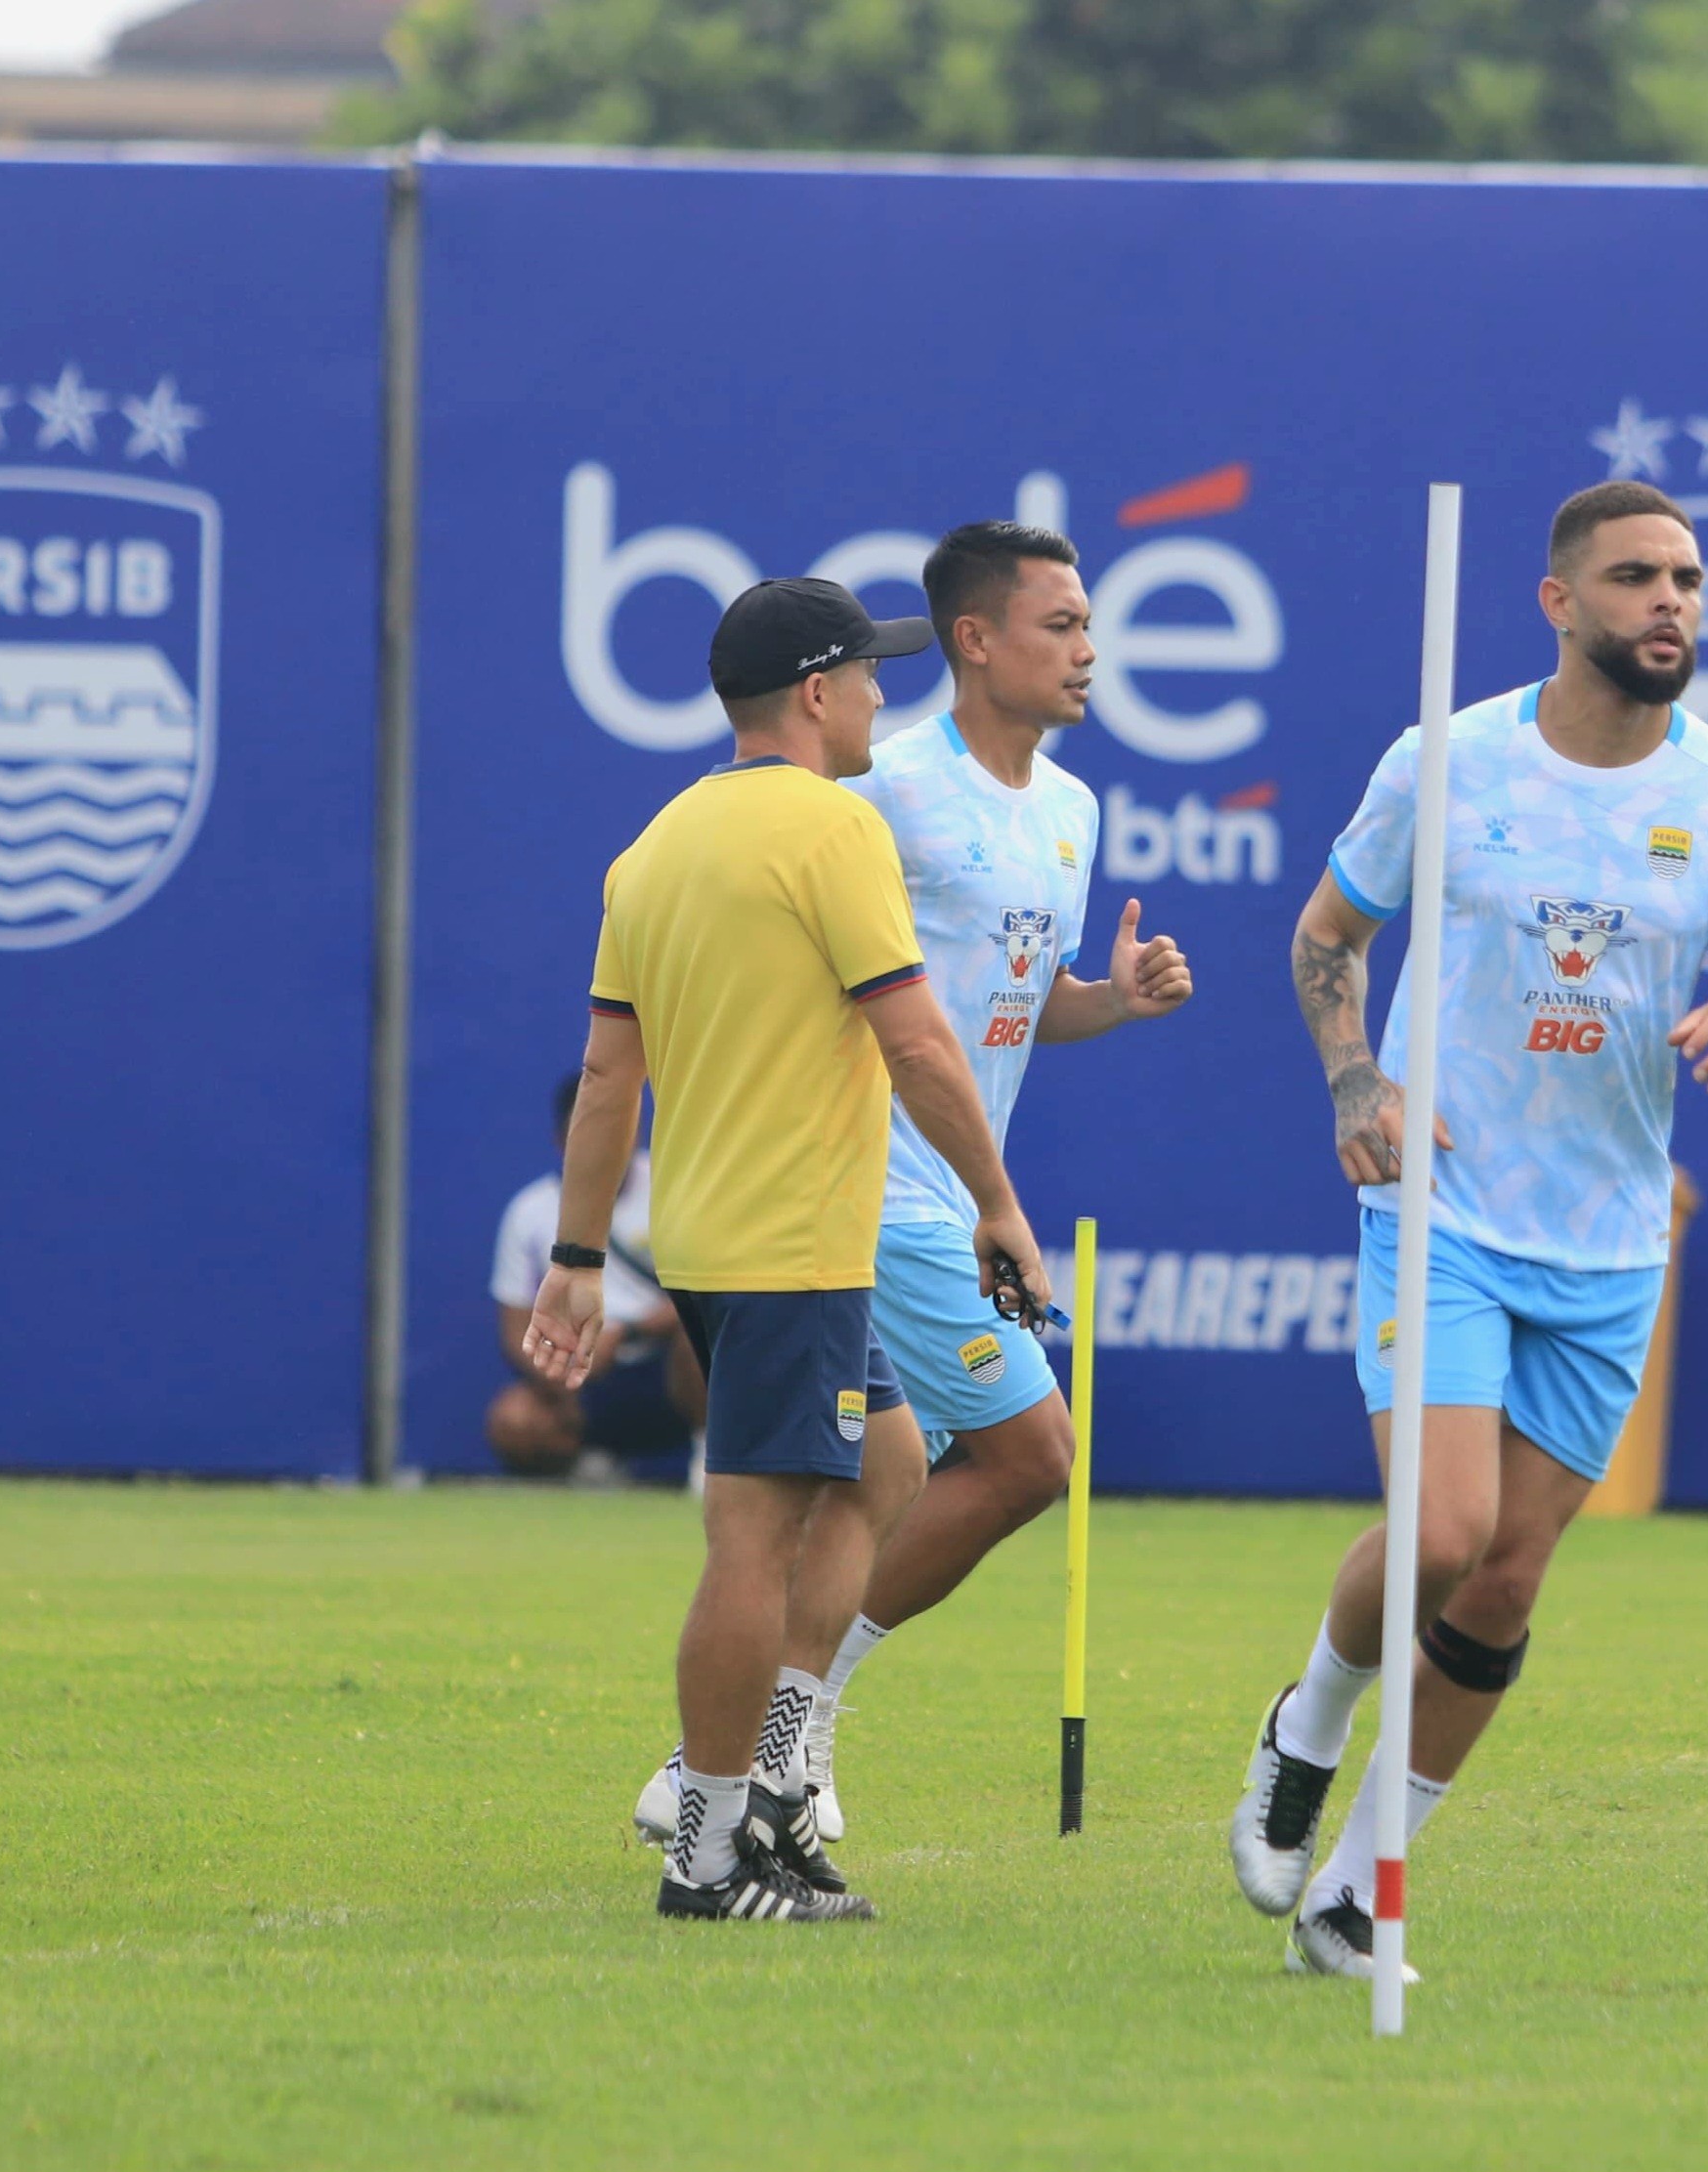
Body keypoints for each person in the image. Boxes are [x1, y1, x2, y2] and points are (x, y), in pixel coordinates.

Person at [1225, 479, 1708, 1979]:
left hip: (1613, 1242)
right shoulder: (1447, 759)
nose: (1670, 601)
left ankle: (1359, 1895)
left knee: (1507, 1574)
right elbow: (1324, 935)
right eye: (1635, 577)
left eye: (1687, 576)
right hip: (1447, 1199)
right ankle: (1308, 1716)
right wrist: (1355, 1075)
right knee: (1441, 1531)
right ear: (1561, 603)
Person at [630, 521, 1192, 1850]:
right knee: (1029, 1452)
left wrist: (1108, 1001)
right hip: (869, 1178)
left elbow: (1009, 1002)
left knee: (880, 1474)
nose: (1089, 650)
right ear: (974, 640)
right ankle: (789, 1730)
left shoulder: (1072, 808)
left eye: (1091, 623)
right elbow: (863, 989)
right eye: (1059, 624)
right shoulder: (876, 788)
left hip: (952, 1183)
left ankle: (724, 1767)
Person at [526, 575, 1048, 1924]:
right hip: (793, 1244)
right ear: (816, 693)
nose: (885, 692)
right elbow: (919, 1039)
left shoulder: (654, 845)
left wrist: (581, 1251)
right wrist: (998, 1202)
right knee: (753, 1539)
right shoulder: (832, 829)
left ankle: (773, 1771)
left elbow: (604, 1074)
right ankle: (706, 1850)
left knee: (889, 1461)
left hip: (703, 1235)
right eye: (870, 671)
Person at [488, 1073, 704, 1479]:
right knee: (514, 1420)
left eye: (616, 1132)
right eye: (588, 1134)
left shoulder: (673, 1188)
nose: (603, 1149)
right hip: (581, 1377)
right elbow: (515, 1329)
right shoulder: (529, 1212)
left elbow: (705, 1294)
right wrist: (560, 1370)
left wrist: (625, 1333)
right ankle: (589, 1466)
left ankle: (707, 1457)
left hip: (666, 1367)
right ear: (559, 1140)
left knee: (700, 1338)